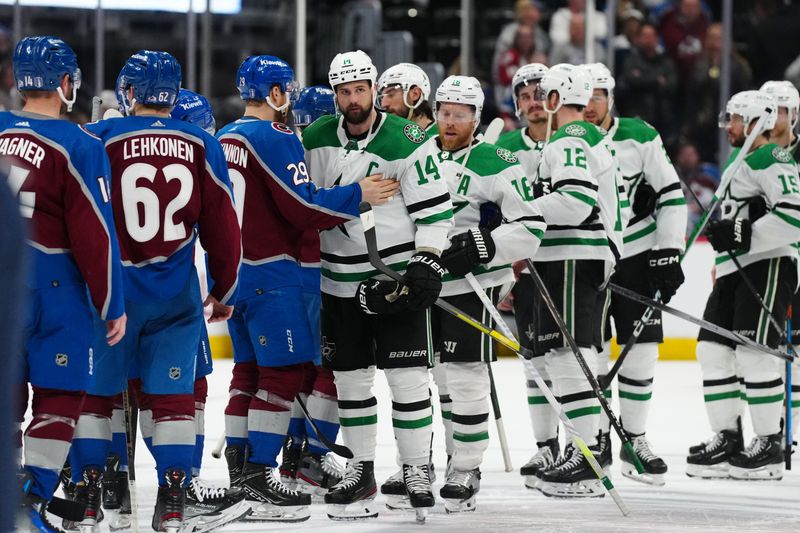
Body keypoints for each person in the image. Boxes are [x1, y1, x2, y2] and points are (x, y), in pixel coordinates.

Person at [216, 55, 400, 520]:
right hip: (280, 274)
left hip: (236, 274)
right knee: (292, 375)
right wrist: (358, 195)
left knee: (250, 374)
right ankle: (269, 471)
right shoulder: (272, 136)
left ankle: (245, 474)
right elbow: (302, 207)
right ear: (276, 93)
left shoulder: (224, 136)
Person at [72, 50, 242, 532]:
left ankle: (88, 498)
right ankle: (171, 503)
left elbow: (77, 215)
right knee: (172, 400)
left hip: (111, 292)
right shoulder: (202, 142)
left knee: (96, 397)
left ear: (127, 92)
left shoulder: (98, 137)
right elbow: (224, 228)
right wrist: (226, 285)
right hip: (175, 293)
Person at [302, 49, 454, 520]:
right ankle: (361, 468)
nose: (353, 99)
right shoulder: (314, 137)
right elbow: (301, 201)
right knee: (351, 381)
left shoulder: (407, 137)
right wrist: (351, 196)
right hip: (337, 281)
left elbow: (435, 210)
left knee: (408, 380)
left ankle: (415, 469)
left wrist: (427, 261)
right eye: (344, 92)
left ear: (373, 89)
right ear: (335, 95)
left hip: (393, 278)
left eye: (360, 90)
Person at [3, 35, 126, 529]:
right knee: (58, 395)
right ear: (64, 82)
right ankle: (31, 503)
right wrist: (111, 301)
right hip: (55, 289)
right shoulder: (78, 143)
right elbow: (95, 232)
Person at [428, 74, 546, 512]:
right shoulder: (417, 153)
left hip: (472, 286)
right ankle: (425, 463)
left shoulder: (496, 161)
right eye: (444, 112)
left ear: (477, 118)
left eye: (460, 114)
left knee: (464, 377)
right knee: (430, 381)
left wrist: (485, 243)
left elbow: (532, 226)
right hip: (422, 282)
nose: (450, 121)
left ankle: (467, 466)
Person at [584, 62, 687, 485]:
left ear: (611, 98)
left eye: (597, 97)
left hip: (638, 257)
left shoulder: (640, 135)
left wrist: (668, 252)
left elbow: (671, 193)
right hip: (588, 258)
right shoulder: (566, 139)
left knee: (641, 350)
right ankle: (595, 438)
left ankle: (635, 439)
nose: (589, 106)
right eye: (581, 98)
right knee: (590, 353)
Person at [687, 90, 799, 481]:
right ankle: (728, 437)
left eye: (735, 119)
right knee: (713, 350)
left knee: (755, 353)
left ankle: (769, 442)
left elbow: (794, 216)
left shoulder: (772, 156)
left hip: (768, 265)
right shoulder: (743, 157)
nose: (729, 126)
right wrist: (726, 249)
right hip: (736, 269)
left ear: (756, 123)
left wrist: (740, 233)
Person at [526, 63, 624, 497]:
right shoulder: (587, 138)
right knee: (570, 354)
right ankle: (588, 449)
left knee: (568, 355)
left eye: (542, 95)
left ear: (554, 99)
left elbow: (575, 203)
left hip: (572, 255)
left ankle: (584, 456)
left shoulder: (567, 140)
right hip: (583, 256)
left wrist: (523, 208)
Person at [374, 61, 443, 511]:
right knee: (412, 375)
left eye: (392, 92)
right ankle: (414, 463)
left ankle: (441, 463)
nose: (383, 100)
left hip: (434, 270)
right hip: (403, 276)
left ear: (417, 94)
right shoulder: (386, 139)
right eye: (380, 92)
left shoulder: (431, 141)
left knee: (436, 378)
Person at [280, 83, 345, 497]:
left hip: (287, 276)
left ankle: (292, 453)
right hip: (323, 274)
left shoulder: (283, 149)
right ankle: (315, 455)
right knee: (332, 369)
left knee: (294, 371)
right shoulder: (330, 154)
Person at [759, 80, 800, 452]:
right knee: (766, 349)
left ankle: (794, 426)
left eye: (782, 110)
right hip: (770, 264)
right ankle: (774, 426)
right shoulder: (753, 156)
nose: (775, 118)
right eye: (769, 109)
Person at [682, 23, 752, 163]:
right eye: (712, 39)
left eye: (719, 39)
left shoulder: (739, 66)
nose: (715, 44)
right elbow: (693, 94)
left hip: (729, 126)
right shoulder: (699, 64)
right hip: (703, 127)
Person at [617, 23, 679, 141]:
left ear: (657, 38)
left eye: (651, 36)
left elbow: (671, 86)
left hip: (662, 117)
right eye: (645, 36)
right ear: (638, 38)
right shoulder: (631, 60)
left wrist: (643, 78)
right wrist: (657, 80)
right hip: (637, 115)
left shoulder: (666, 62)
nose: (648, 40)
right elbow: (631, 81)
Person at [377, 63, 435, 132]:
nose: (384, 104)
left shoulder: (441, 139)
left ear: (415, 94)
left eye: (391, 94)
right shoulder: (385, 136)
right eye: (382, 98)